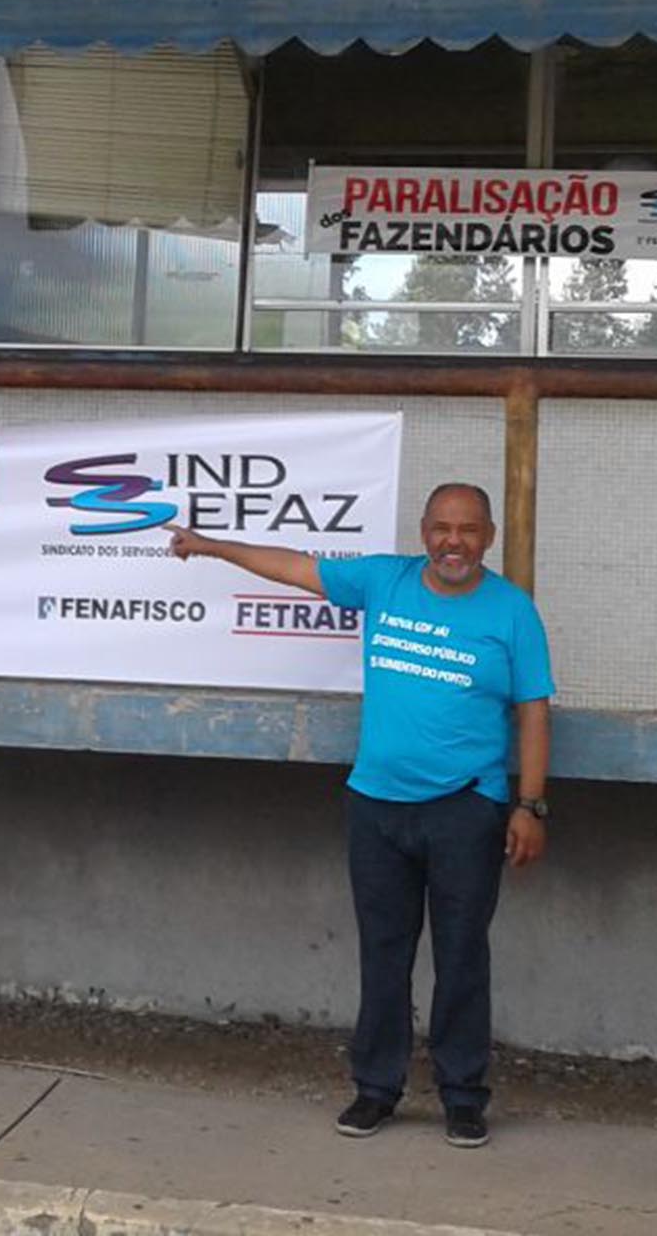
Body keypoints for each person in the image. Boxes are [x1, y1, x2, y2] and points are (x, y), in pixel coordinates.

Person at [168, 481, 551, 1148]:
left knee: (461, 956)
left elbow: (534, 711)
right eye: (440, 528)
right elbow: (289, 565)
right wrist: (208, 546)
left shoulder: (512, 613)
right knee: (383, 955)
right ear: (423, 531)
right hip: (376, 805)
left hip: (466, 809)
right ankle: (377, 1089)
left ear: (487, 538)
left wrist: (531, 805)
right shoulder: (382, 581)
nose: (451, 541)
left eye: (466, 530)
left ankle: (463, 1096)